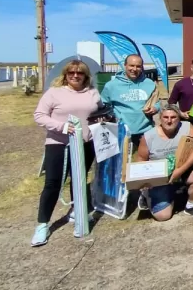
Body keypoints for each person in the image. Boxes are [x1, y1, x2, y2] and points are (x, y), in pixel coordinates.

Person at [32, 60, 101, 247]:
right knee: (53, 183)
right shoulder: (54, 93)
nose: (75, 76)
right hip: (59, 144)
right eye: (71, 72)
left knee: (79, 179)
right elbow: (39, 115)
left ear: (86, 76)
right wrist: (62, 127)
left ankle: (76, 211)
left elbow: (98, 112)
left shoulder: (92, 92)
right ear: (65, 74)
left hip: (86, 144)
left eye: (80, 73)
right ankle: (43, 224)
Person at [137, 105, 193, 220]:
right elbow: (141, 159)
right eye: (165, 117)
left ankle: (190, 206)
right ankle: (146, 195)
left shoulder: (187, 127)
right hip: (159, 178)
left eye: (173, 117)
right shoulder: (149, 136)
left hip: (182, 170)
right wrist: (144, 183)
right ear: (160, 118)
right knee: (163, 216)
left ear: (179, 118)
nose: (169, 121)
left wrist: (180, 170)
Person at [100, 54, 159, 149]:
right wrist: (111, 117)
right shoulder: (111, 85)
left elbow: (157, 102)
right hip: (121, 132)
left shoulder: (149, 83)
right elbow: (104, 106)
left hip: (146, 132)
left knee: (143, 162)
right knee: (123, 163)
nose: (134, 69)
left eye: (138, 66)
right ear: (125, 65)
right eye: (131, 65)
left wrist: (155, 108)